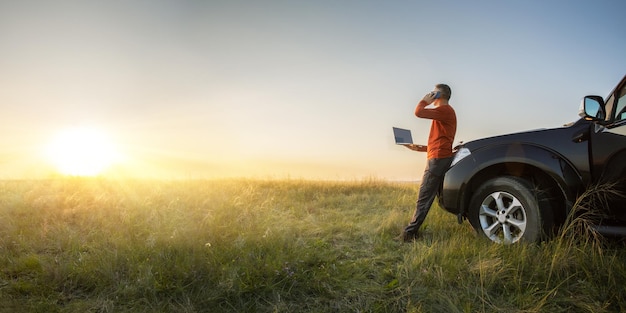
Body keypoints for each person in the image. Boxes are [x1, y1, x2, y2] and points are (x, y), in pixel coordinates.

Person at [401, 83, 457, 242]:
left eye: (434, 93)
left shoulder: (445, 110)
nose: (431, 94)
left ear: (440, 95)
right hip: (438, 156)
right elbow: (440, 142)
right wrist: (418, 148)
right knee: (429, 195)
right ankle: (412, 231)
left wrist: (424, 100)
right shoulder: (444, 112)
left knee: (424, 196)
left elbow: (418, 112)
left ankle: (409, 234)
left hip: (437, 160)